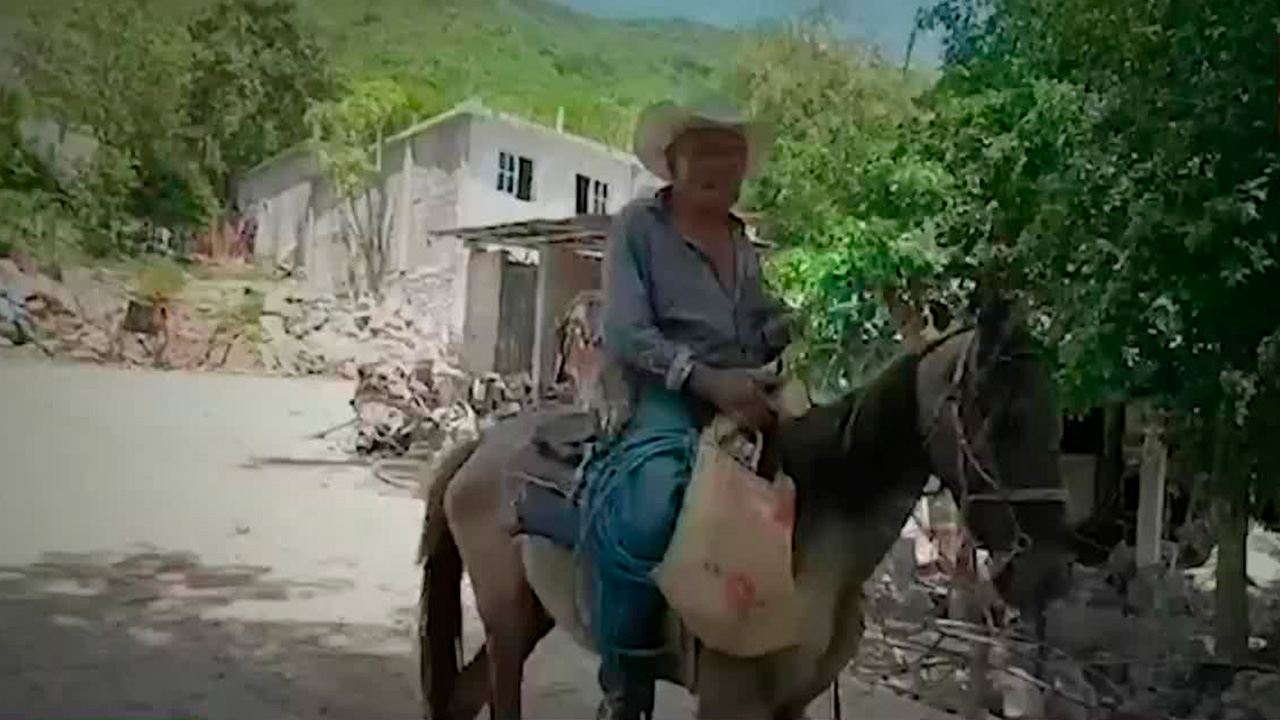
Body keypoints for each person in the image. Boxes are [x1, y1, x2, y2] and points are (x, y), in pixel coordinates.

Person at [584, 98, 793, 720]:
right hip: (664, 396)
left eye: (731, 156)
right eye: (703, 153)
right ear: (672, 162)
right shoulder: (637, 228)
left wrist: (782, 325)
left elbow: (755, 319)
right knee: (648, 509)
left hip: (746, 392)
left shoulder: (741, 240)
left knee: (823, 478)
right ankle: (624, 683)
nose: (718, 167)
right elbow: (625, 332)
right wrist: (705, 379)